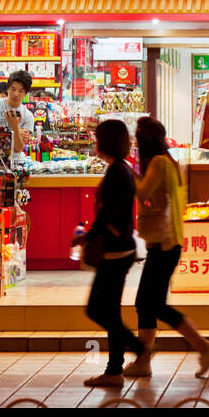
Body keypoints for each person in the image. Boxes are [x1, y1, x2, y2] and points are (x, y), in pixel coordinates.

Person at [124, 116, 209, 378]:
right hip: (168, 242)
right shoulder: (171, 162)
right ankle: (146, 361)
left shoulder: (157, 163)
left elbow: (143, 193)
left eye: (137, 137)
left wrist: (126, 170)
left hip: (164, 244)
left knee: (151, 304)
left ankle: (202, 346)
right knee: (147, 303)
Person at [81, 119, 145, 388]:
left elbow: (110, 212)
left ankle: (136, 347)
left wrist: (89, 236)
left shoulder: (118, 172)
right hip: (120, 249)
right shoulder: (123, 168)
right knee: (109, 310)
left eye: (98, 138)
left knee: (98, 309)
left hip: (115, 252)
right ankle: (114, 369)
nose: (95, 142)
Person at [0, 70, 34, 158]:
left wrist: (14, 126)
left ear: (26, 93)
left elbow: (18, 148)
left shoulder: (28, 116)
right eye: (13, 89)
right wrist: (14, 133)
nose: (16, 94)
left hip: (15, 162)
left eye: (21, 91)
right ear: (7, 88)